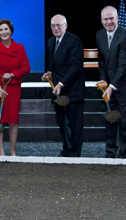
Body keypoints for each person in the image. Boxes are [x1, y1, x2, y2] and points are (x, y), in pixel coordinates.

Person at [96, 6, 126, 158]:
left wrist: (112, 87)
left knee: (124, 121)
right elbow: (102, 61)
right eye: (105, 19)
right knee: (110, 118)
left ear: (117, 19)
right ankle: (110, 153)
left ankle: (124, 155)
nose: (108, 22)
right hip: (110, 85)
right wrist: (103, 79)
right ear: (102, 20)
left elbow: (123, 66)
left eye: (111, 19)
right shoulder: (100, 35)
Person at [42, 14, 85, 157]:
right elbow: (53, 64)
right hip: (58, 92)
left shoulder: (74, 40)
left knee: (75, 124)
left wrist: (61, 83)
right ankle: (66, 150)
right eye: (53, 26)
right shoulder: (50, 42)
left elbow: (76, 67)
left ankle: (75, 153)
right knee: (62, 123)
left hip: (73, 90)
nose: (56, 28)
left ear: (65, 26)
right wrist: (48, 72)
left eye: (58, 25)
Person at [0, 19, 30, 156]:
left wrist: (13, 74)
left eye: (6, 29)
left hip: (13, 88)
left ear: (11, 31)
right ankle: (1, 152)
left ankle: (12, 152)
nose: (3, 32)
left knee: (13, 121)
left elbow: (26, 67)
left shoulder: (20, 48)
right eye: (0, 30)